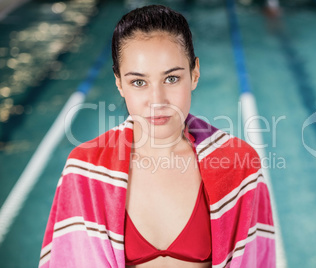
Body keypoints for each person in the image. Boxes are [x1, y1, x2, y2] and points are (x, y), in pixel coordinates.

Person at [39, 4, 275, 268]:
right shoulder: (85, 169)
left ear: (195, 73)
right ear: (119, 83)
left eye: (172, 79)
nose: (157, 100)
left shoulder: (238, 164)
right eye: (139, 82)